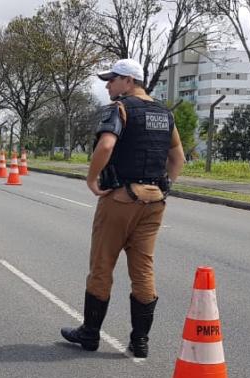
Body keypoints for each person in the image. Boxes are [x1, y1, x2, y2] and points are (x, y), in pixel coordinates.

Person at [60, 58, 184, 359]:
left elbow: (105, 146)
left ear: (128, 81)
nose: (107, 86)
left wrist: (91, 180)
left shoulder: (120, 109)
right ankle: (140, 341)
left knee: (102, 265)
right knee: (143, 270)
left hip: (120, 199)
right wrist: (166, 185)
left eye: (112, 79)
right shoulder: (164, 114)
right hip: (153, 201)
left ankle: (90, 334)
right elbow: (178, 157)